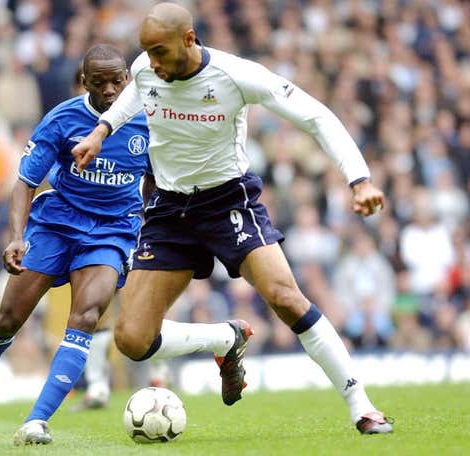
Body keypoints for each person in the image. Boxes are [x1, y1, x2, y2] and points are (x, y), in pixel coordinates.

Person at [72, 3, 393, 435]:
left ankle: (362, 406)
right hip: (168, 208)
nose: (151, 63)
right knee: (132, 339)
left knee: (284, 296)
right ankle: (225, 338)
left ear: (189, 40)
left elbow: (317, 116)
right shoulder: (147, 68)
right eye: (145, 52)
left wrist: (359, 180)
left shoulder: (235, 75)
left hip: (228, 202)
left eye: (160, 52)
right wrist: (101, 131)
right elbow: (133, 94)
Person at [0, 44, 154, 445]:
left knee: (86, 316)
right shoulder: (63, 119)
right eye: (100, 82)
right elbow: (26, 182)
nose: (110, 90)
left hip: (112, 230)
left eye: (117, 81)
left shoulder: (148, 121)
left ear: (128, 80)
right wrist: (16, 237)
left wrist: (146, 217)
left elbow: (156, 177)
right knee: (9, 319)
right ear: (84, 82)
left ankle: (36, 421)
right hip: (57, 223)